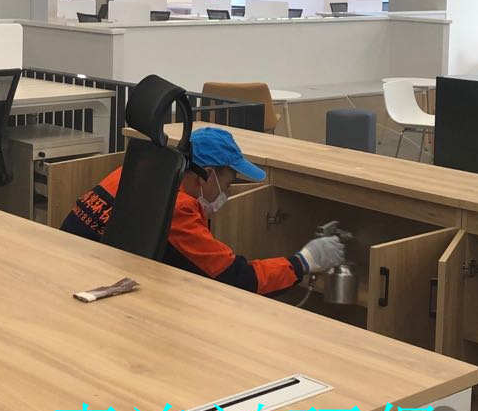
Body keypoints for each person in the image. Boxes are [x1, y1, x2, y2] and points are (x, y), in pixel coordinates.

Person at [60, 126, 346, 295]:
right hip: (97, 286)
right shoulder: (179, 210)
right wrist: (303, 262)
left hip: (71, 269)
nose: (227, 192)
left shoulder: (134, 173)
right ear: (207, 175)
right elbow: (238, 278)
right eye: (228, 182)